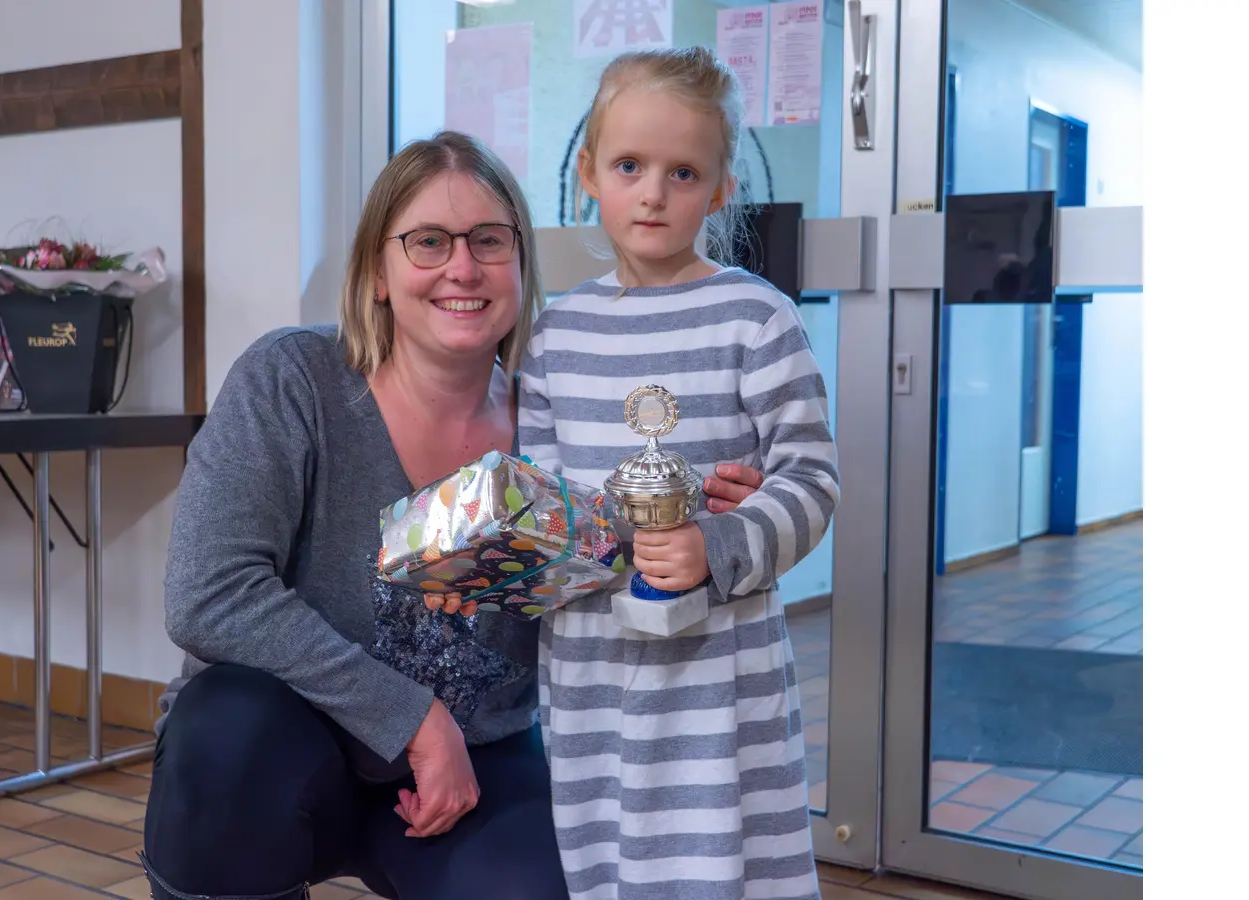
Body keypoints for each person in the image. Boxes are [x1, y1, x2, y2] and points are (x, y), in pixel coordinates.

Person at [139, 130, 771, 900]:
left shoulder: (565, 420)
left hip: (475, 769)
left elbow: (606, 563)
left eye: (489, 241)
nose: (462, 268)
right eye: (428, 242)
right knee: (225, 733)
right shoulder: (293, 379)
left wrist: (703, 522)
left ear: (520, 263)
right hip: (282, 752)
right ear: (378, 270)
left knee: (541, 887)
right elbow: (208, 593)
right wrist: (415, 719)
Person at [517, 47, 840, 900]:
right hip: (590, 666)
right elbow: (542, 500)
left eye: (683, 171)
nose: (653, 192)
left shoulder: (757, 317)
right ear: (589, 171)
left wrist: (722, 541)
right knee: (606, 860)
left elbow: (810, 478)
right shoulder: (554, 336)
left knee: (726, 860)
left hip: (718, 669)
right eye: (629, 165)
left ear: (722, 187)